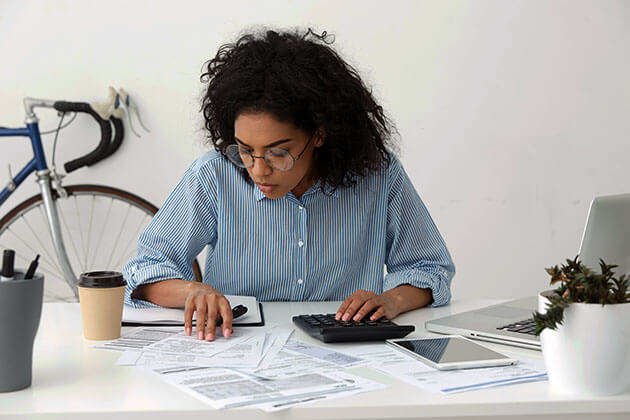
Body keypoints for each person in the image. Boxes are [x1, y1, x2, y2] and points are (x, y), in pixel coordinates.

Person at [123, 28, 455, 342]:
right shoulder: (214, 176)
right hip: (235, 350)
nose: (258, 170)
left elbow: (428, 268)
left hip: (346, 353)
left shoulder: (378, 177)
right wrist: (193, 291)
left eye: (278, 152)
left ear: (320, 134)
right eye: (245, 150)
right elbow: (146, 269)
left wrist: (392, 300)